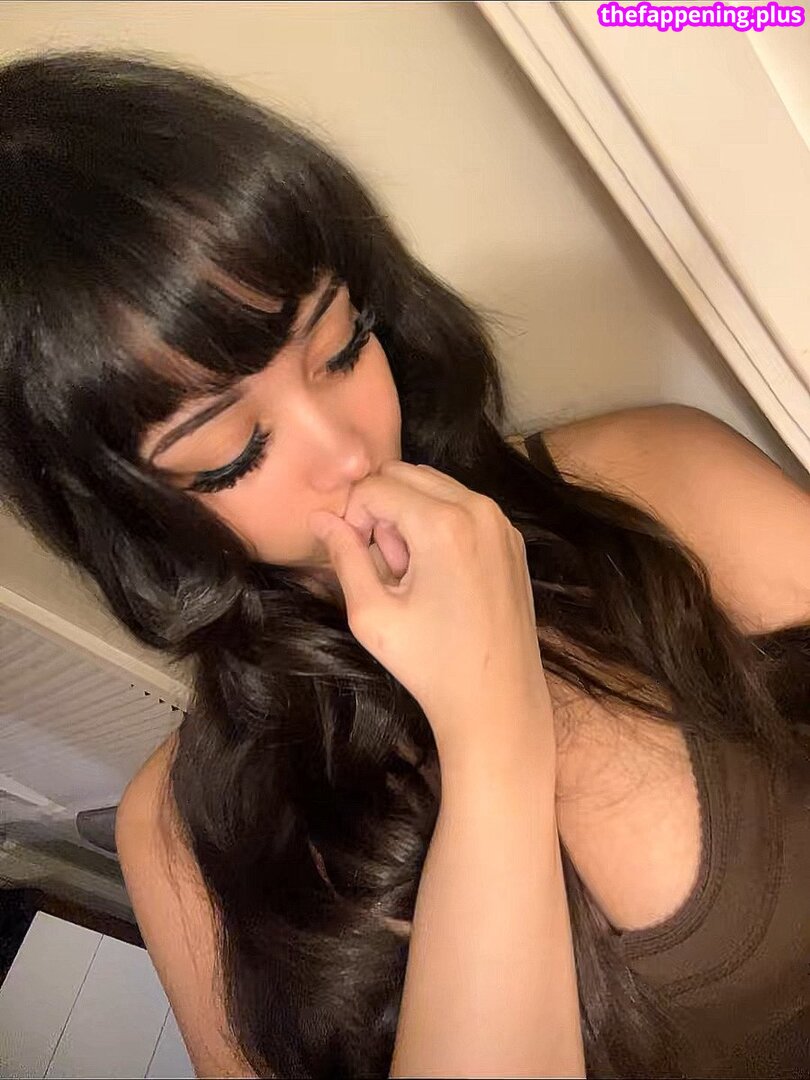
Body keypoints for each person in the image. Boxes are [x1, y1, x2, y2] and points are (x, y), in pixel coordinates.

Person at [1, 49, 808, 1080]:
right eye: (232, 450)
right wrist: (492, 730)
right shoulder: (179, 837)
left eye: (339, 347)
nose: (347, 449)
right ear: (125, 511)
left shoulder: (654, 480)